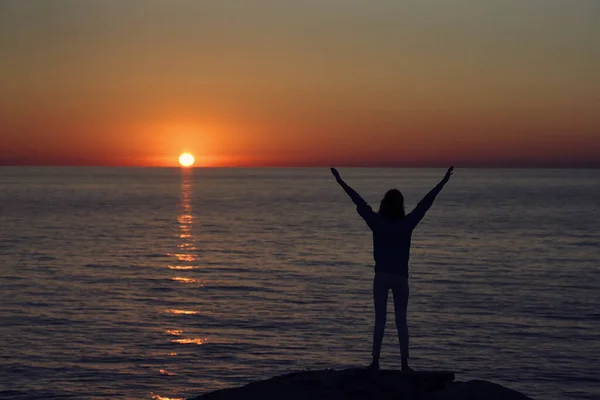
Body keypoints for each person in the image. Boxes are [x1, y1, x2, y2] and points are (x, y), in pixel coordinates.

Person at [330, 166, 454, 371]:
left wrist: (340, 181)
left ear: (384, 204)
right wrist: (442, 182)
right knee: (401, 321)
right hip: (400, 278)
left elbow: (358, 201)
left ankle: (375, 361)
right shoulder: (407, 224)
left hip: (381, 276)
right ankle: (404, 364)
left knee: (380, 319)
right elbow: (425, 204)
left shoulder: (377, 222)